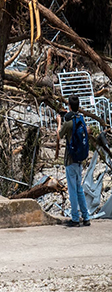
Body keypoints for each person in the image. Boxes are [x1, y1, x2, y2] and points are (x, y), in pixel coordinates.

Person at [56, 95, 91, 227]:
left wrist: (59, 121)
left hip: (70, 160)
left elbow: (59, 135)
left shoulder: (68, 122)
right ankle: (86, 217)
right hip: (80, 159)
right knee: (79, 189)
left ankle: (75, 218)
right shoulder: (80, 118)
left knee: (72, 191)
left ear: (69, 106)